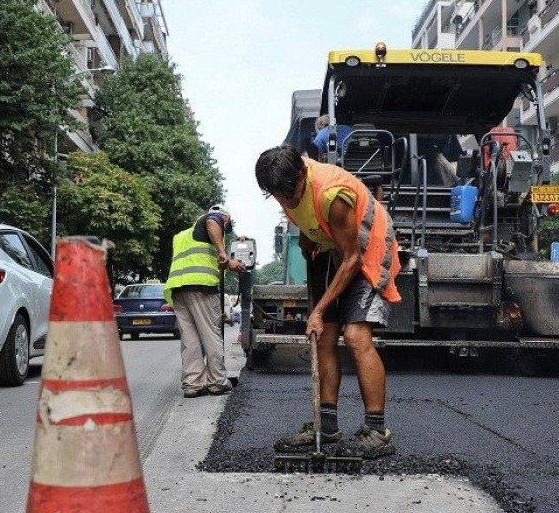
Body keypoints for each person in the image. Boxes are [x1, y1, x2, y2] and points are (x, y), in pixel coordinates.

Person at [254, 144, 401, 459]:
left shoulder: (333, 196)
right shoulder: (285, 184)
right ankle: (327, 426)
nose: (285, 201)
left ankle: (377, 431)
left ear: (302, 176)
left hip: (366, 246)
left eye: (289, 193)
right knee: (324, 337)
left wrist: (319, 310)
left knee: (355, 335)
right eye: (277, 196)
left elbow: (351, 260)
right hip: (329, 244)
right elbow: (303, 210)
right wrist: (309, 233)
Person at [164, 204, 243, 398]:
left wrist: (227, 264)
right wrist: (223, 252)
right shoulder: (214, 218)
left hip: (178, 289)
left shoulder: (182, 236)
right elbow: (212, 221)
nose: (225, 230)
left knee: (190, 339)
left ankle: (192, 384)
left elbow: (200, 258)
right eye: (227, 227)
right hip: (201, 287)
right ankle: (217, 382)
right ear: (226, 219)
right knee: (211, 334)